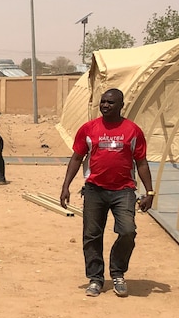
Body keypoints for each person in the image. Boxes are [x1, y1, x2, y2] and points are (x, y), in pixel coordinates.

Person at [60, 88, 154, 298]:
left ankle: (118, 272)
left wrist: (150, 191)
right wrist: (66, 186)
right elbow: (76, 158)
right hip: (95, 189)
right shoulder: (88, 129)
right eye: (103, 102)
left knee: (128, 231)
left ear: (121, 106)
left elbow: (141, 162)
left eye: (110, 103)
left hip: (124, 190)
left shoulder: (133, 131)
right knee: (92, 234)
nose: (105, 106)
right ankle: (95, 278)